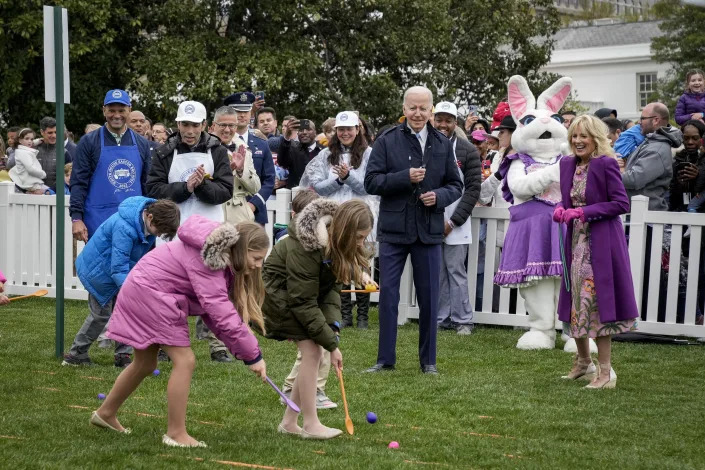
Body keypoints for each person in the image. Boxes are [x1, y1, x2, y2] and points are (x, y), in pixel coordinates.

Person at [92, 217, 268, 447]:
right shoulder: (211, 261)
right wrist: (253, 355)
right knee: (185, 361)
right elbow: (220, 311)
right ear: (242, 249)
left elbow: (212, 313)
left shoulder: (215, 257)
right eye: (256, 258)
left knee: (145, 365)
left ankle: (105, 414)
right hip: (152, 295)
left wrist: (247, 354)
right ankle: (176, 433)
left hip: (143, 291)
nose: (258, 265)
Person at [364, 86, 463, 374]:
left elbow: (455, 185)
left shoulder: (443, 143)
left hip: (429, 230)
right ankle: (385, 360)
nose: (418, 113)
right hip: (394, 229)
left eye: (423, 108)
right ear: (404, 109)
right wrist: (402, 177)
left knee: (430, 298)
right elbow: (371, 182)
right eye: (413, 108)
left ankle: (428, 361)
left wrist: (439, 197)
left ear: (431, 110)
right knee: (388, 297)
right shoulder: (387, 140)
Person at [263, 198, 374, 439]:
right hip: (276, 295)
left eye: (364, 238)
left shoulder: (335, 246)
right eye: (358, 238)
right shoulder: (307, 246)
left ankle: (290, 423)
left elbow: (329, 292)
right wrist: (330, 345)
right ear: (343, 230)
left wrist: (332, 331)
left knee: (315, 350)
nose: (360, 244)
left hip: (300, 297)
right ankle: (311, 424)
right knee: (313, 351)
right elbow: (303, 302)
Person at [553, 114, 638, 389]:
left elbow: (620, 203)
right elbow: (568, 198)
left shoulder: (606, 164)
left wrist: (584, 212)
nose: (578, 141)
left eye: (583, 136)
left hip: (601, 244)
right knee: (575, 302)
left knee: (596, 304)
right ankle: (582, 362)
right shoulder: (567, 165)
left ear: (595, 139)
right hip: (575, 243)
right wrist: (561, 209)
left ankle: (605, 373)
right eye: (574, 136)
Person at [147, 100, 235, 362]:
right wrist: (184, 188)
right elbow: (153, 189)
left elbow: (225, 190)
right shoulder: (163, 152)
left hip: (209, 229)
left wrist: (201, 186)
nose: (189, 130)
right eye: (185, 124)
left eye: (195, 124)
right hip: (173, 229)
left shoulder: (217, 151)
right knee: (169, 289)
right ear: (177, 124)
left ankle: (217, 345)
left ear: (204, 125)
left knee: (214, 288)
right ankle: (166, 342)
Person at [62, 197, 180, 368]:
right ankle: (76, 354)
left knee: (126, 312)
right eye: (160, 230)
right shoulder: (124, 228)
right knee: (100, 315)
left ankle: (123, 355)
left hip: (119, 272)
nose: (159, 235)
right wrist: (132, 291)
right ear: (150, 217)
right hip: (98, 272)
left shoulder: (146, 227)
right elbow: (117, 267)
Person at [301, 111, 379, 329]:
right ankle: (344, 312)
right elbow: (317, 185)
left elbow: (369, 186)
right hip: (335, 212)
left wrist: (347, 177)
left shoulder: (370, 154)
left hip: (363, 212)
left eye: (349, 129)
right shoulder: (325, 155)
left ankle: (362, 314)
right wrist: (338, 181)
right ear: (336, 131)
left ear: (357, 130)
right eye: (341, 129)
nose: (345, 133)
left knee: (363, 260)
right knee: (339, 259)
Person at [71, 90, 153, 242]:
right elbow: (78, 182)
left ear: (129, 110)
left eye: (121, 110)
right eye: (111, 110)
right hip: (98, 221)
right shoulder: (89, 142)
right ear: (104, 110)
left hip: (133, 221)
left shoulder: (142, 144)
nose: (116, 115)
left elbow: (146, 184)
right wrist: (76, 218)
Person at [433, 101, 481, 335]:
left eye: (448, 120)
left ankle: (463, 320)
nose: (443, 124)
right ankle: (442, 318)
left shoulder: (467, 150)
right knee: (438, 272)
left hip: (457, 223)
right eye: (439, 119)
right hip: (430, 219)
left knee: (455, 271)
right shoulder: (425, 146)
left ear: (455, 123)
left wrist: (453, 222)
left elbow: (473, 190)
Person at [223, 92, 275, 225]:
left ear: (251, 113)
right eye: (237, 111)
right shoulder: (220, 142)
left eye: (246, 111)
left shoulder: (262, 143)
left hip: (255, 211)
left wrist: (254, 204)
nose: (242, 115)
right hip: (226, 212)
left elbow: (269, 180)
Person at [622, 103, 683, 211]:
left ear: (655, 120)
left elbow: (634, 179)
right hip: (639, 215)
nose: (639, 122)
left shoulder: (657, 149)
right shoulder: (652, 143)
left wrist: (608, 172)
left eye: (642, 118)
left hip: (648, 220)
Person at [212, 106, 262, 225]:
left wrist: (241, 171)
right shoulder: (204, 148)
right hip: (214, 213)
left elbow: (256, 188)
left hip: (239, 217)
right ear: (214, 125)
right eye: (223, 125)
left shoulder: (243, 149)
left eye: (232, 126)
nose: (227, 130)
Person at [670, 120, 705, 213]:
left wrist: (698, 177)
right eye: (686, 138)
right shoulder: (677, 160)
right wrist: (679, 184)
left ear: (702, 138)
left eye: (695, 138)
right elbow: (672, 197)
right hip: (681, 213)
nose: (690, 142)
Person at [277, 119, 324, 188]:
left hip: (318, 194)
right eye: (301, 130)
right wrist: (287, 137)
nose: (304, 132)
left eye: (308, 129)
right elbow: (282, 162)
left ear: (315, 132)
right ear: (298, 133)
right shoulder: (292, 149)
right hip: (296, 194)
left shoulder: (324, 151)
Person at [36, 116, 73, 191]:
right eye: (50, 133)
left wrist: (50, 191)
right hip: (32, 196)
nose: (53, 135)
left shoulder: (64, 153)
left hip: (56, 197)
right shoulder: (33, 150)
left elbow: (69, 177)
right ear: (42, 132)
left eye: (56, 132)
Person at [9, 128, 48, 194]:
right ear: (20, 140)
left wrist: (36, 141)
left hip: (30, 182)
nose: (30, 141)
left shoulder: (22, 150)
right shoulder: (23, 153)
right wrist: (43, 174)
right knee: (50, 193)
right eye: (27, 139)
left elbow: (28, 144)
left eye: (31, 139)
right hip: (31, 183)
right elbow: (31, 169)